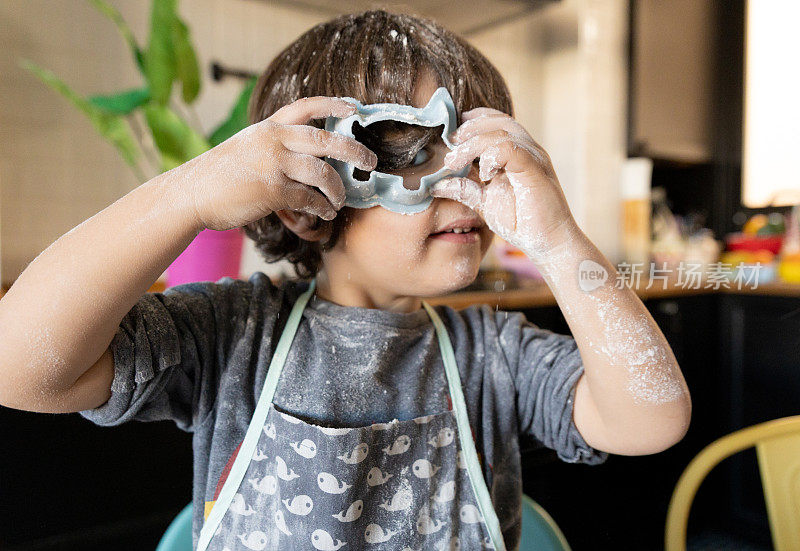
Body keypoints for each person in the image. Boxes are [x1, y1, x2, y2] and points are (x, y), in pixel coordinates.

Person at [0, 9, 691, 550]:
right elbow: (21, 366)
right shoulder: (231, 335)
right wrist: (188, 194)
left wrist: (559, 238)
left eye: (475, 153)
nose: (465, 186)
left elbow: (650, 419)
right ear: (307, 203)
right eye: (414, 148)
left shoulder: (497, 353)